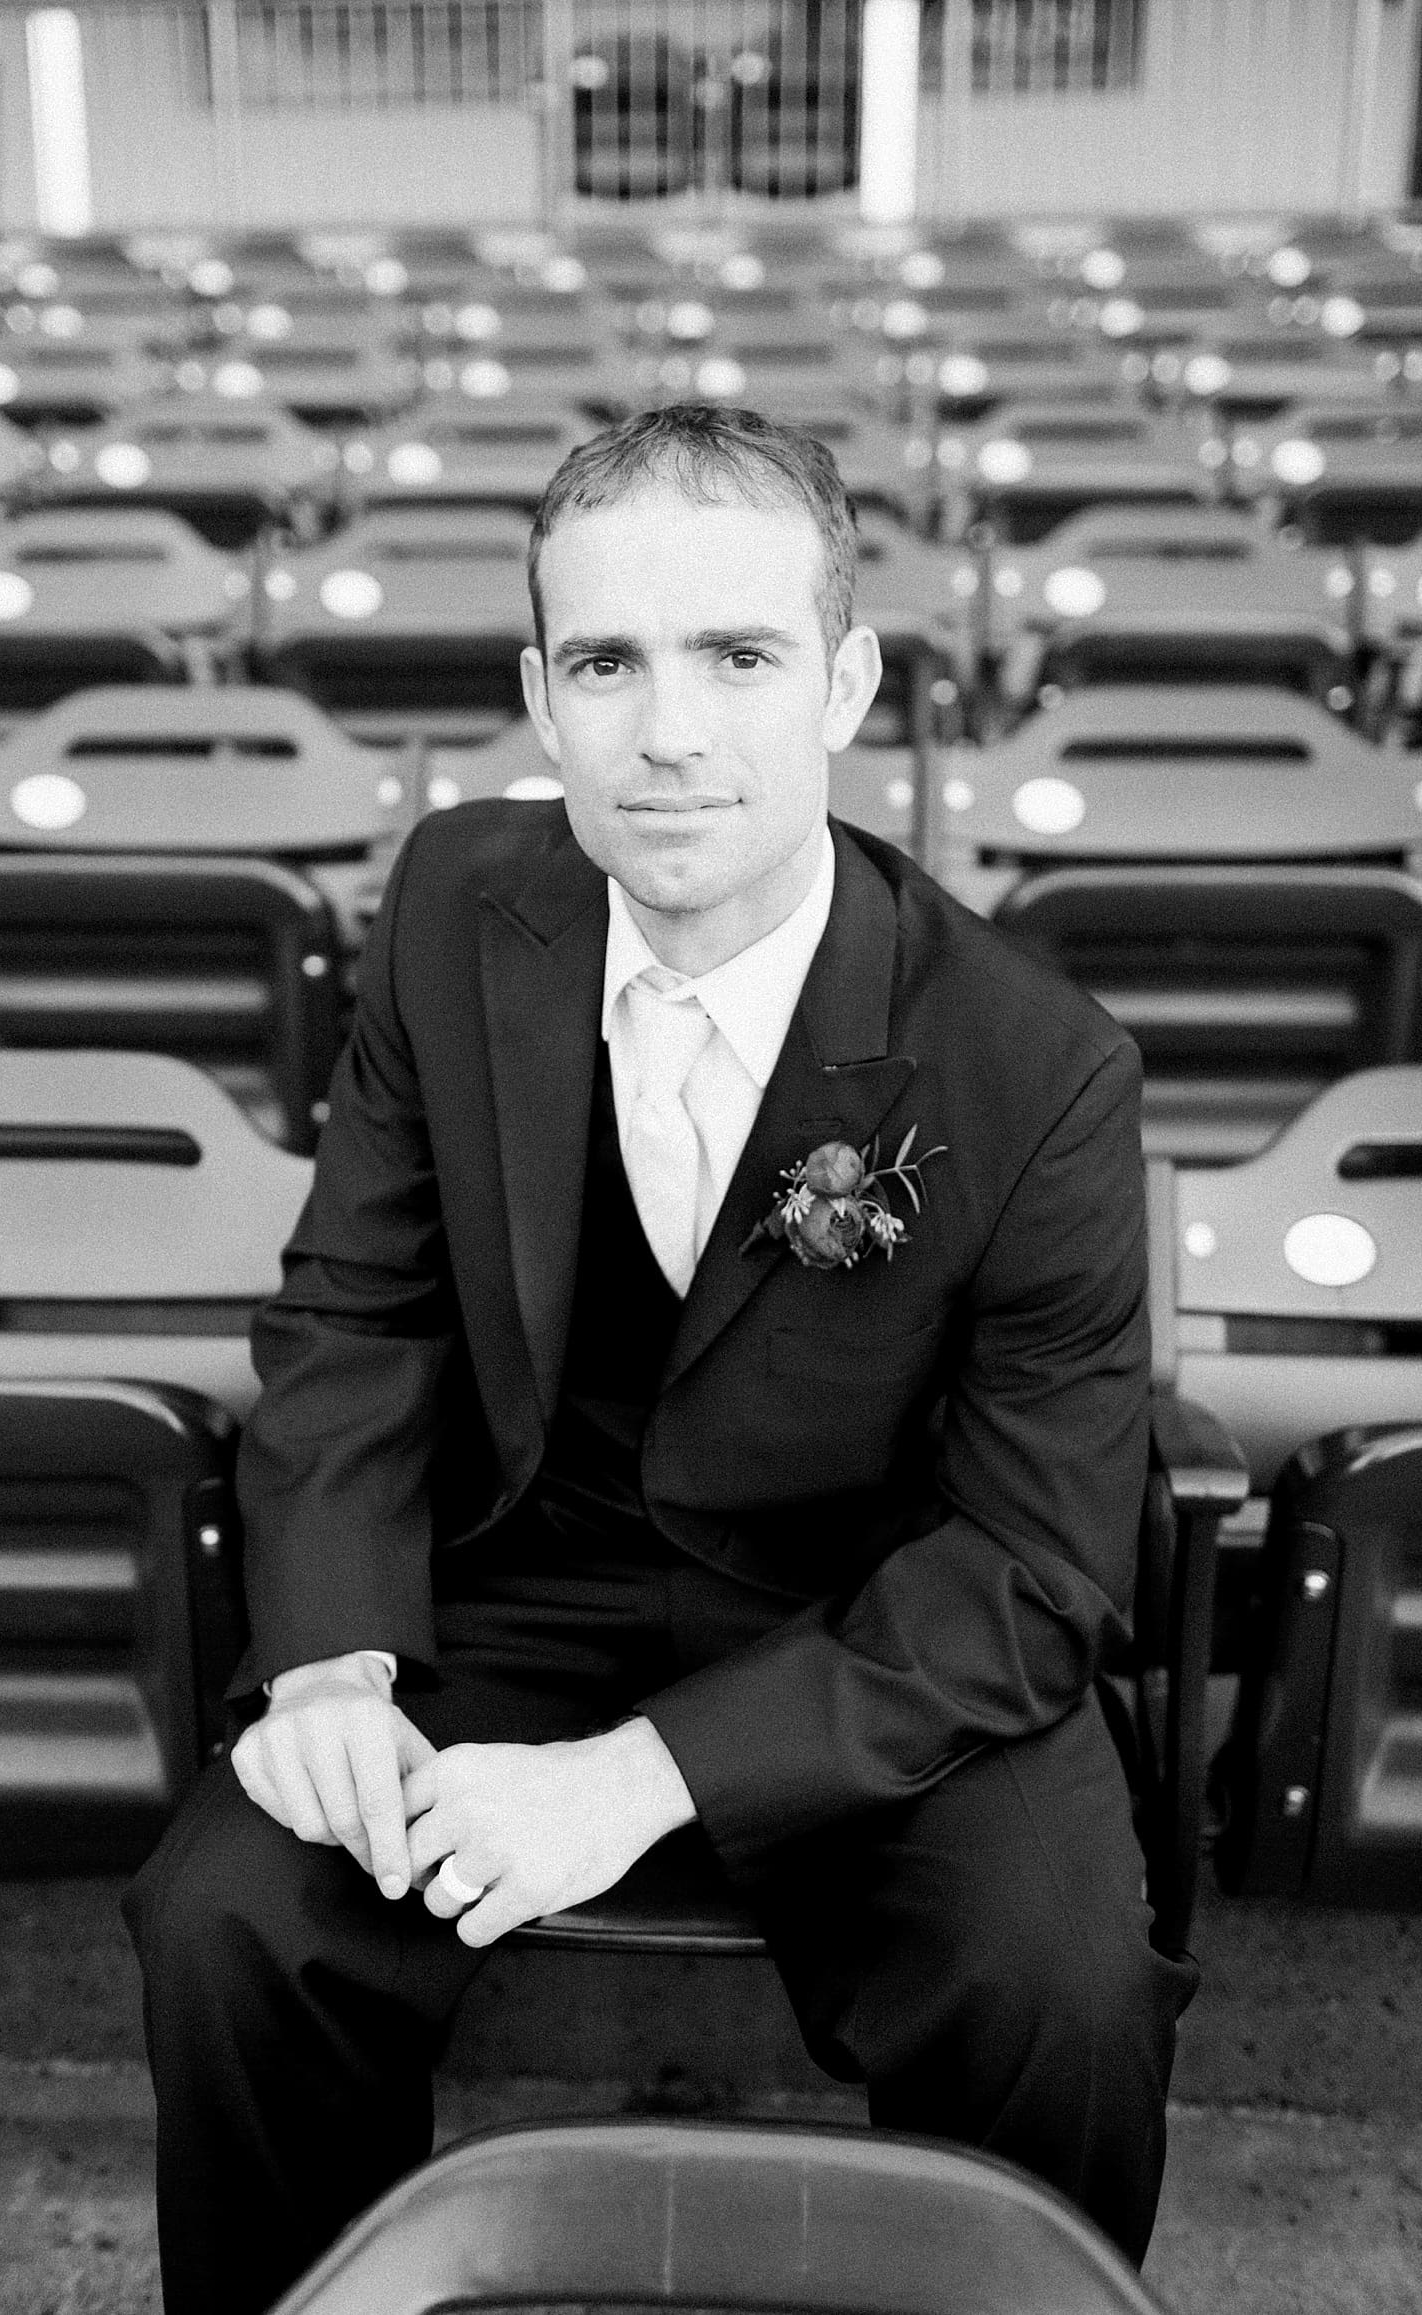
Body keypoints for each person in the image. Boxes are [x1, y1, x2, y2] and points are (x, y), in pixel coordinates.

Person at [124, 402, 1196, 2315]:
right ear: (542, 693)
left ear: (848, 681)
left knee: (1067, 1985)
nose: (670, 732)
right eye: (608, 661)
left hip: (876, 1623)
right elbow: (355, 1315)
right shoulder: (458, 906)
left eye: (738, 656)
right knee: (232, 1913)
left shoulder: (1036, 1070)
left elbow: (1037, 1569)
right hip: (523, 1584)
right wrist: (335, 1664)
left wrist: (639, 1778)